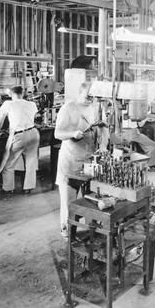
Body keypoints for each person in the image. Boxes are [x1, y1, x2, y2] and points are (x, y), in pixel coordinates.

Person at [54, 82, 108, 238]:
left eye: (93, 97)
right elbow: (58, 133)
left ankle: (94, 230)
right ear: (80, 92)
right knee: (69, 201)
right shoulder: (68, 108)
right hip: (71, 160)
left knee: (92, 199)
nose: (91, 99)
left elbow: (102, 128)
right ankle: (67, 233)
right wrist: (72, 133)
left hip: (89, 160)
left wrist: (103, 145)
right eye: (88, 96)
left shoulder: (94, 107)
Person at [0, 86, 39, 195]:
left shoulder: (8, 104)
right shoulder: (31, 104)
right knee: (31, 161)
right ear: (23, 93)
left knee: (8, 164)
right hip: (33, 133)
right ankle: (28, 188)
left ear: (11, 94)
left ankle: (8, 188)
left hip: (19, 136)